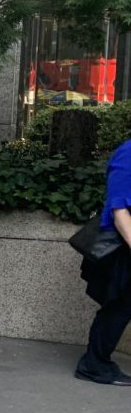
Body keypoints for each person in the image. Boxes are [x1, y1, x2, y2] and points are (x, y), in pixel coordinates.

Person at [75, 137, 131, 386]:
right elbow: (119, 211)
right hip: (123, 246)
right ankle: (94, 364)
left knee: (121, 305)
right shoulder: (128, 154)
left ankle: (94, 362)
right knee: (119, 305)